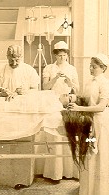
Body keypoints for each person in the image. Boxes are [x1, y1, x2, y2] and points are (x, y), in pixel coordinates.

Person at [63, 54, 109, 194]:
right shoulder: (90, 82)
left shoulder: (106, 84)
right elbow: (85, 98)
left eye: (94, 66)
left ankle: (103, 190)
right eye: (90, 66)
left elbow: (101, 107)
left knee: (100, 154)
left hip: (101, 124)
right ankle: (89, 190)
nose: (90, 68)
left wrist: (79, 109)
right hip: (89, 123)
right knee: (89, 154)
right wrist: (72, 87)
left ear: (103, 68)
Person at [0, 45, 40, 189]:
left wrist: (24, 91)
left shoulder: (29, 70)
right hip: (6, 111)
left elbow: (36, 90)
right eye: (11, 60)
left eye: (16, 60)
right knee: (5, 142)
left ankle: (23, 178)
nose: (13, 63)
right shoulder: (1, 70)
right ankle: (4, 177)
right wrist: (4, 93)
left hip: (24, 112)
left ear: (21, 58)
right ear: (7, 57)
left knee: (24, 142)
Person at [35, 41, 80, 183]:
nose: (62, 58)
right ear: (55, 55)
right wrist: (55, 78)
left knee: (66, 135)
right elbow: (45, 87)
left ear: (67, 55)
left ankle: (68, 171)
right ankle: (52, 173)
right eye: (59, 55)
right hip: (51, 103)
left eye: (64, 55)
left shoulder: (72, 69)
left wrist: (69, 83)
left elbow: (77, 90)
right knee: (52, 135)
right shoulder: (49, 68)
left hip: (66, 104)